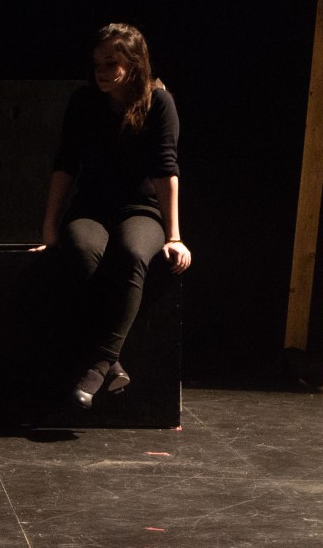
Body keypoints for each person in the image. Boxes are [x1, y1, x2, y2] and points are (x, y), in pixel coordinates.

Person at [35, 22, 191, 408]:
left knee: (132, 252)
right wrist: (50, 226)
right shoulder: (83, 102)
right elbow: (65, 166)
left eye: (111, 63)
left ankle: (99, 364)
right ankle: (112, 362)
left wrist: (174, 235)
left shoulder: (158, 102)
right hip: (91, 208)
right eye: (97, 64)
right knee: (81, 250)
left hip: (142, 210)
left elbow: (166, 171)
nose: (101, 71)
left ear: (134, 63)